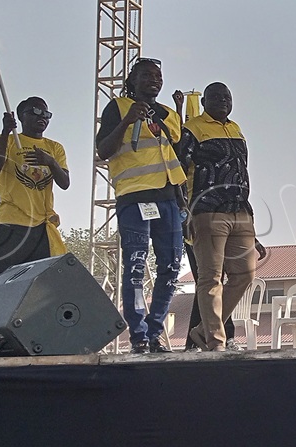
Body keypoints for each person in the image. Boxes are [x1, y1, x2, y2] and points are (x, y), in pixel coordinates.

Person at [95, 58, 186, 354]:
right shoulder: (119, 107)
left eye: (158, 76)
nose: (154, 80)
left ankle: (155, 330)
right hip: (135, 196)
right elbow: (103, 150)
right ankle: (139, 335)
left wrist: (184, 200)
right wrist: (127, 120)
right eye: (146, 75)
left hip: (168, 197)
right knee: (135, 265)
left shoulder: (168, 115)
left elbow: (178, 154)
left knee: (171, 267)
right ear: (132, 80)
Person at [178, 82, 265, 352]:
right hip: (208, 210)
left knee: (244, 275)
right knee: (210, 277)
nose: (223, 101)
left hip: (240, 210)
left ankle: (204, 331)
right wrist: (184, 213)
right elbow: (178, 172)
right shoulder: (193, 129)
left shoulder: (236, 129)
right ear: (204, 101)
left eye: (227, 97)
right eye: (216, 97)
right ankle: (216, 342)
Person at [0, 97, 69, 276]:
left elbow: (65, 183)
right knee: (2, 280)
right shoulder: (7, 141)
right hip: (12, 222)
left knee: (41, 284)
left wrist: (50, 162)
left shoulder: (55, 148)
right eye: (36, 111)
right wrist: (5, 131)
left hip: (42, 226)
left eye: (47, 114)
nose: (43, 117)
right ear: (21, 117)